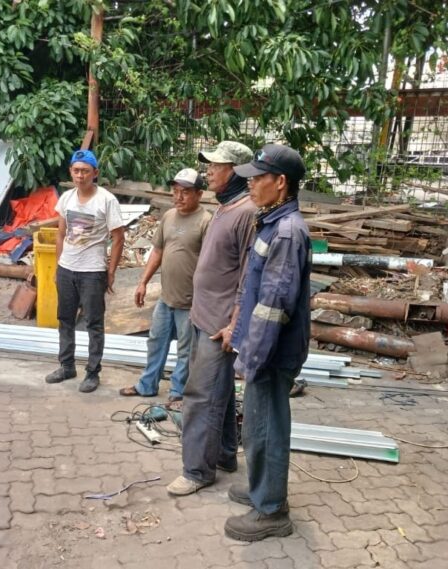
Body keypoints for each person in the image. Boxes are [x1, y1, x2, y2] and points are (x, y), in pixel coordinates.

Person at [223, 144, 311, 542]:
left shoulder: (288, 232)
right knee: (259, 426)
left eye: (258, 178)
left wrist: (251, 358)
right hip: (264, 348)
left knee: (266, 428)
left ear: (281, 183)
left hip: (272, 353)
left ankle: (272, 510)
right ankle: (264, 489)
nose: (250, 183)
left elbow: (274, 305)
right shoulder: (272, 222)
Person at [166, 140, 256, 496]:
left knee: (200, 395)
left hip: (220, 324)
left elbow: (248, 276)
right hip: (203, 315)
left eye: (215, 166)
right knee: (217, 390)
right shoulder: (225, 207)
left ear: (235, 171)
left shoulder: (247, 213)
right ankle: (223, 455)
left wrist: (234, 323)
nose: (209, 172)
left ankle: (197, 471)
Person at [118, 168, 211, 405]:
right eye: (175, 191)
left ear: (199, 194)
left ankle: (178, 392)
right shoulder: (169, 217)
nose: (178, 197)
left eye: (185, 192)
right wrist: (142, 282)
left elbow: (211, 264)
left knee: (185, 350)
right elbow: (157, 251)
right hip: (166, 298)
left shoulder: (206, 222)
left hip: (190, 303)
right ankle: (147, 385)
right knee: (156, 343)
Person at [45, 149, 125, 393]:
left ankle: (92, 372)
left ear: (95, 173)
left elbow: (118, 237)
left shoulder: (106, 200)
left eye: (85, 171)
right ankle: (67, 365)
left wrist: (110, 271)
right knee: (65, 319)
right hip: (67, 269)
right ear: (71, 171)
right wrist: (59, 266)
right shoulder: (67, 198)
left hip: (92, 271)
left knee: (93, 323)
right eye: (76, 170)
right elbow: (61, 233)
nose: (80, 175)